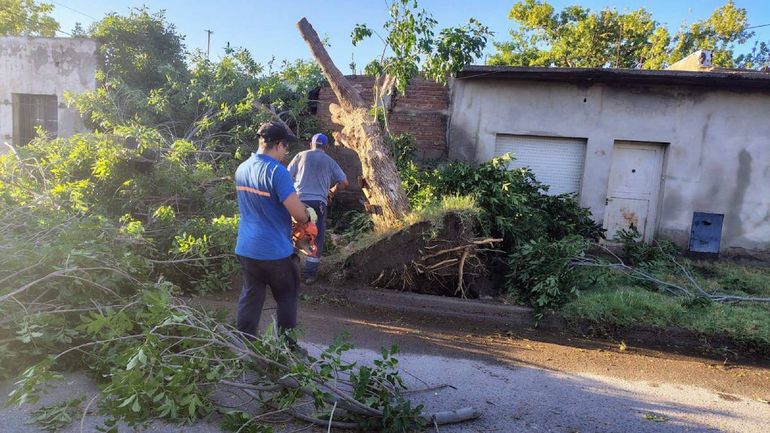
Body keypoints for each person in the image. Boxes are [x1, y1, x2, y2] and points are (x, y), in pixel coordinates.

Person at [234, 121, 313, 342]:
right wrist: (307, 217)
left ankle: (245, 345)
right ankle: (288, 347)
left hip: (247, 248)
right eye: (286, 147)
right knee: (287, 297)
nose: (286, 152)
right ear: (278, 145)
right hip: (275, 251)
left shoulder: (242, 168)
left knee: (251, 297)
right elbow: (298, 214)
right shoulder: (277, 172)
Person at [287, 133, 349, 284]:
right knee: (317, 236)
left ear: (311, 144)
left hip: (299, 202)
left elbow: (286, 176)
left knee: (294, 232)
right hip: (318, 203)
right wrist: (332, 191)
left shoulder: (300, 156)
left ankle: (289, 269)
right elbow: (344, 182)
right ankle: (309, 275)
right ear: (326, 147)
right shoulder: (330, 161)